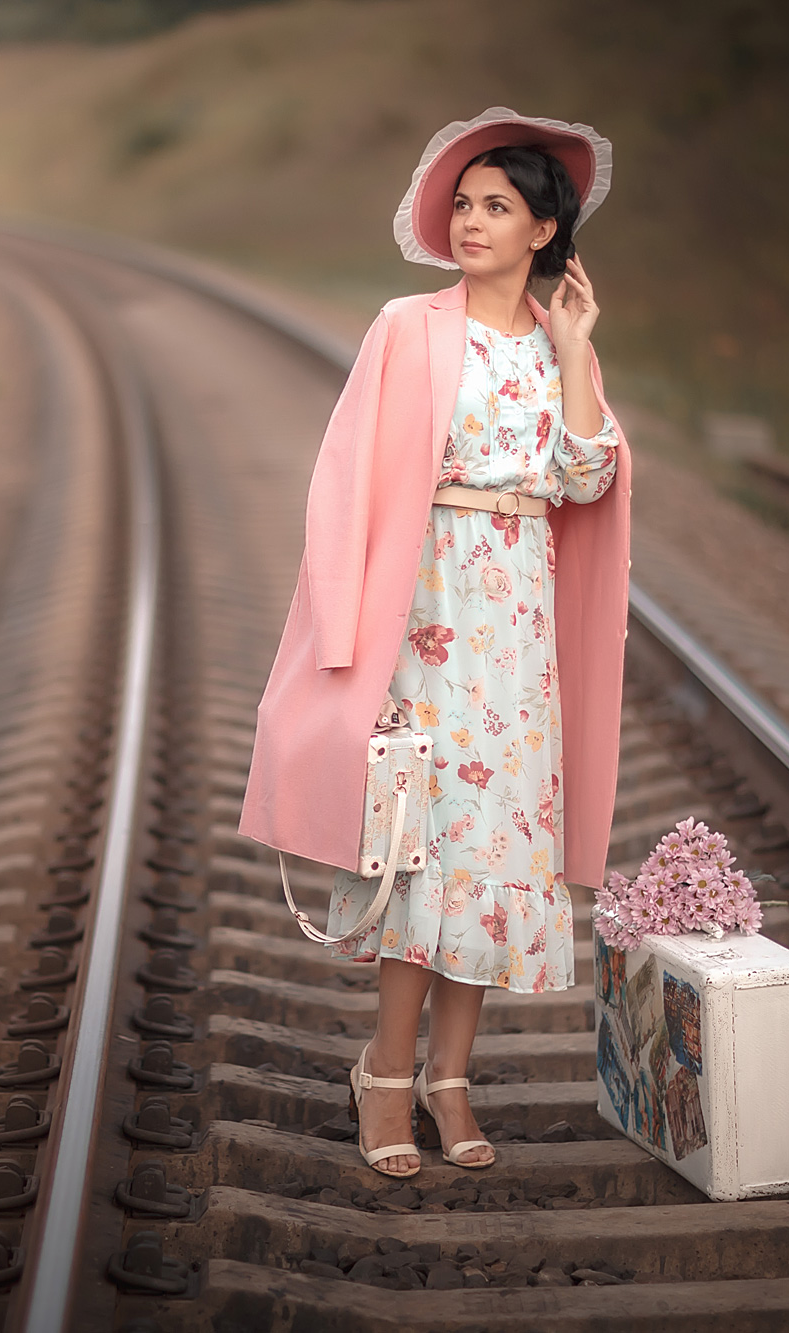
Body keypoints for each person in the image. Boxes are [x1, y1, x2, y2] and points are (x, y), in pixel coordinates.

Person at [239, 108, 633, 1178]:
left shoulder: (556, 352)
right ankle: (383, 1074)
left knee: (496, 855)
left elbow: (586, 477)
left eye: (495, 207)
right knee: (417, 842)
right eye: (462, 204)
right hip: (421, 615)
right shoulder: (406, 328)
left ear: (544, 234)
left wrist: (578, 350)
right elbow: (342, 473)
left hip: (516, 627)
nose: (469, 221)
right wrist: (338, 622)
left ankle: (451, 1084)